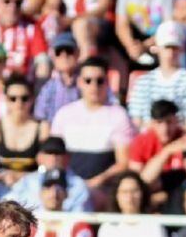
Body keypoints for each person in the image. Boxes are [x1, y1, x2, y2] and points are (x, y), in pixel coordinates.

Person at [50, 56, 136, 189]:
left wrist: (97, 181)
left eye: (100, 81)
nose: (94, 86)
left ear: (107, 83)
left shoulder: (119, 115)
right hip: (67, 188)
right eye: (88, 80)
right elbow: (52, 157)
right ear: (79, 82)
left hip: (104, 189)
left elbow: (123, 162)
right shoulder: (64, 114)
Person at [127, 21, 186, 127]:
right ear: (157, 48)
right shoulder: (143, 82)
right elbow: (136, 120)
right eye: (167, 47)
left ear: (181, 49)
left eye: (175, 47)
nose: (171, 53)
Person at [0, 75, 50, 189]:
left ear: (32, 99)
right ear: (5, 100)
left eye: (24, 98)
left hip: (32, 189)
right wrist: (3, 177)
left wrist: (19, 177)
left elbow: (46, 169)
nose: (19, 103)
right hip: (1, 187)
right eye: (13, 98)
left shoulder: (42, 128)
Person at [6, 135, 93, 211]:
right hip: (33, 227)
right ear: (39, 157)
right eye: (48, 153)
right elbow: (9, 205)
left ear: (67, 157)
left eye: (58, 153)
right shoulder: (27, 181)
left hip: (66, 227)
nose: (53, 157)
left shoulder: (78, 184)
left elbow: (82, 215)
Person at [97, 171, 167, 237]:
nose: (130, 197)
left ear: (142, 194)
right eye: (124, 192)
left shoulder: (154, 226)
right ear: (116, 196)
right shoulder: (107, 228)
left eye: (134, 191)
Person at [28, 169, 96, 237]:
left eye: (59, 188)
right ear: (40, 193)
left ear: (67, 194)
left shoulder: (78, 224)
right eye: (48, 188)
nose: (54, 194)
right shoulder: (30, 224)